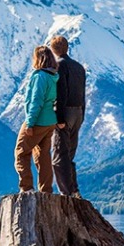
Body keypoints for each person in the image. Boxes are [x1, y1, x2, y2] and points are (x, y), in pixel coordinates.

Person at [14, 46, 59, 193]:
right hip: (50, 121)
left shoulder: (40, 77)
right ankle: (46, 190)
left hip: (38, 121)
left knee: (21, 152)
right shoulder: (54, 77)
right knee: (43, 155)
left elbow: (36, 101)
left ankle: (26, 188)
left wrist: (30, 123)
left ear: (38, 59)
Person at [49, 36, 87, 199]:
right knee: (69, 154)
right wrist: (81, 115)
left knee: (58, 155)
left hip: (65, 112)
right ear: (67, 48)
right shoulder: (79, 67)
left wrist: (59, 118)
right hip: (78, 112)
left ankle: (66, 193)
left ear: (53, 49)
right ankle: (74, 189)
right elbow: (83, 93)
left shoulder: (59, 65)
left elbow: (61, 92)